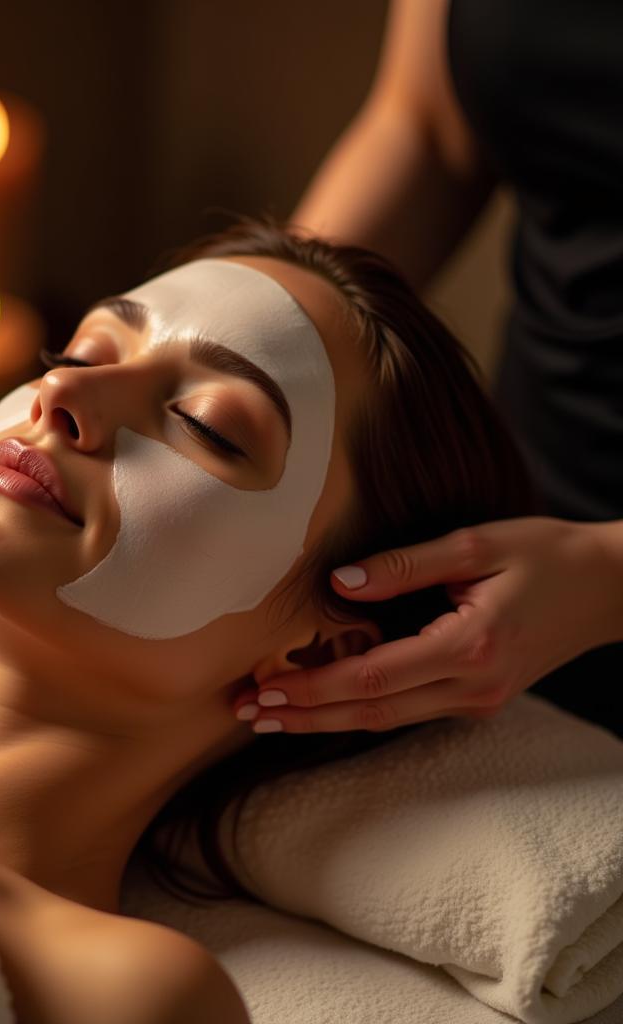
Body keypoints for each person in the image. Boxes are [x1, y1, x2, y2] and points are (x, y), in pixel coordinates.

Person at [0, 221, 564, 1024]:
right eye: (80, 353)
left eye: (207, 425)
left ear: (320, 648)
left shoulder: (121, 993)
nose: (61, 395)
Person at [243, 0, 623, 739]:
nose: (61, 391)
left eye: (207, 431)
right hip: (525, 511)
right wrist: (252, 319)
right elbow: (426, 126)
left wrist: (611, 576)